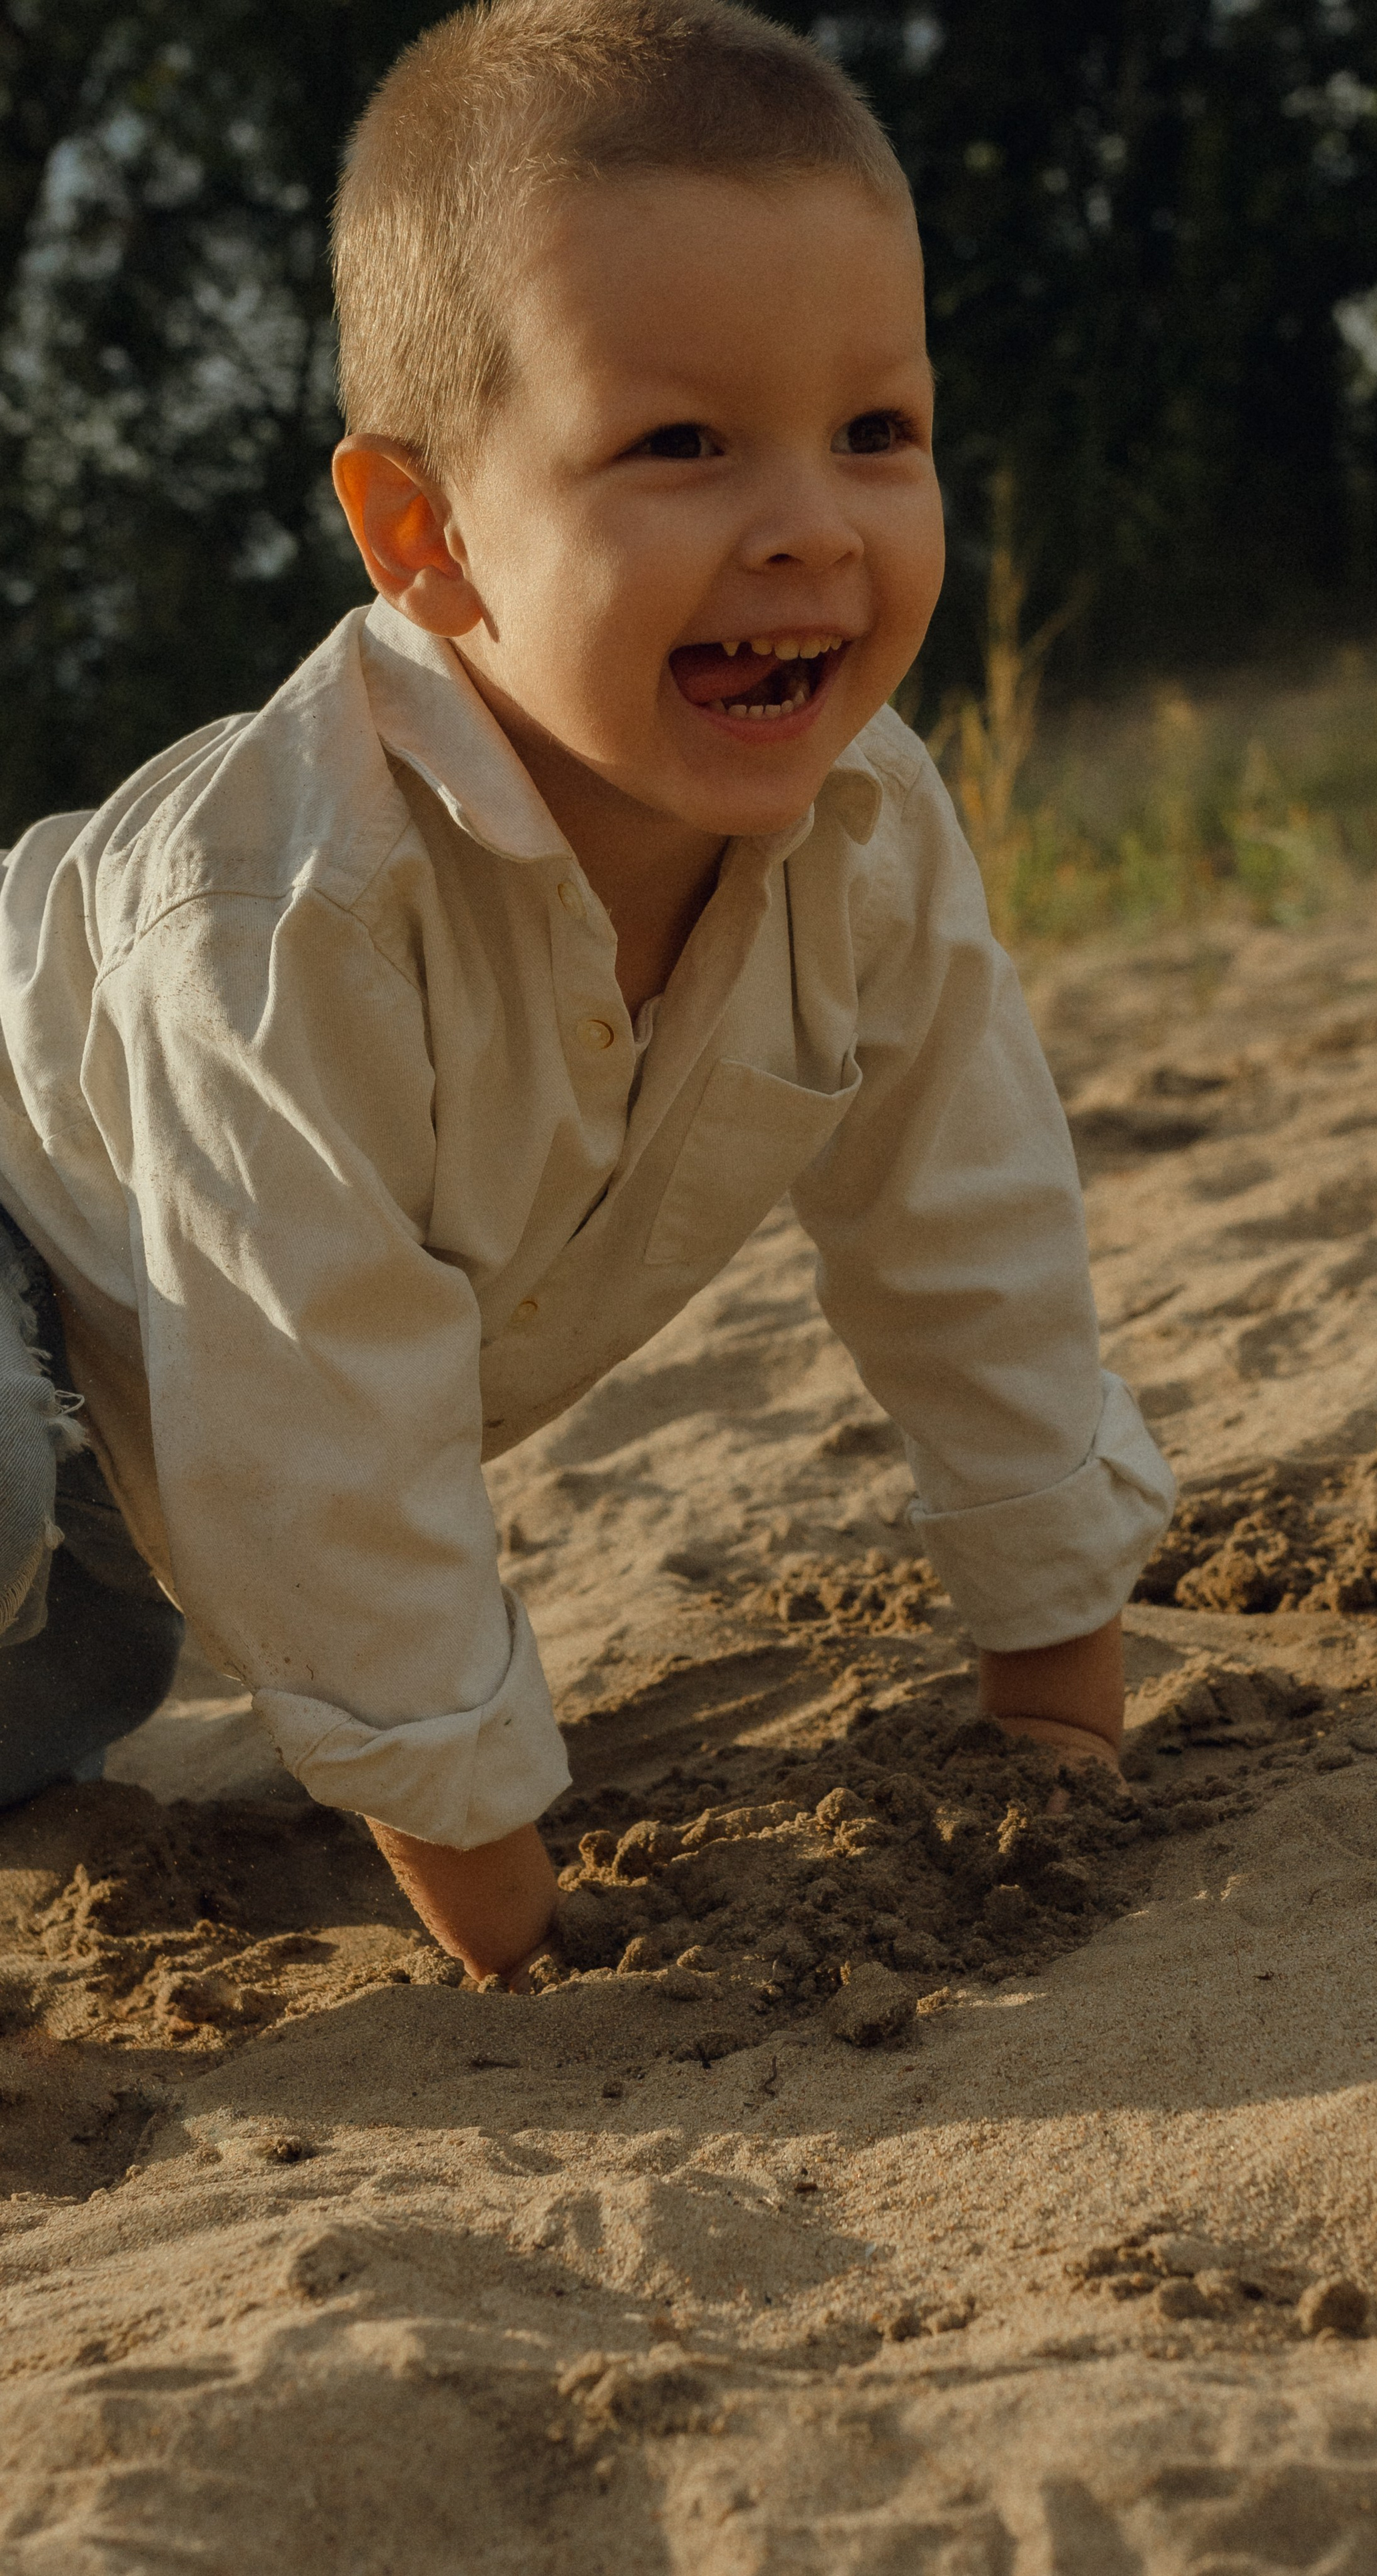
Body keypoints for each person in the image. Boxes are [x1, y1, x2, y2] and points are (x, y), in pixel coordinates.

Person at [0, 0, 1174, 1987]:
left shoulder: (869, 832)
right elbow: (324, 1447)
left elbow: (971, 1239)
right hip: (44, 1279)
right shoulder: (284, 925)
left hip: (116, 1500)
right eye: (680, 443)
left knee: (44, 1707)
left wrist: (1055, 1707)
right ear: (426, 537)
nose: (810, 520)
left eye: (876, 430)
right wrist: (513, 1932)